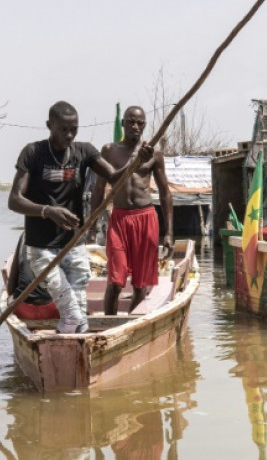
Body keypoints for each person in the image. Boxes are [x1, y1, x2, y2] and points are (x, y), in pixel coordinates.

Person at [9, 101, 152, 333]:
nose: (69, 135)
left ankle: (72, 352)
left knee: (79, 317)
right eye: (63, 129)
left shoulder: (84, 151)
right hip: (42, 248)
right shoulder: (33, 153)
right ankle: (66, 344)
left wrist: (136, 163)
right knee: (73, 313)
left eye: (73, 129)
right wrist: (48, 211)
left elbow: (115, 178)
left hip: (73, 245)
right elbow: (14, 200)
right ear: (49, 126)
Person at [90, 106, 172, 315]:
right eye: (131, 121)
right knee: (115, 281)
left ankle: (134, 324)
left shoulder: (155, 155)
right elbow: (99, 189)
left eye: (140, 123)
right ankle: (108, 325)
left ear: (144, 125)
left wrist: (169, 232)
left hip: (145, 219)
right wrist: (91, 225)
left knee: (139, 284)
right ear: (123, 123)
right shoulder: (109, 150)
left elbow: (165, 193)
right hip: (119, 220)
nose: (135, 126)